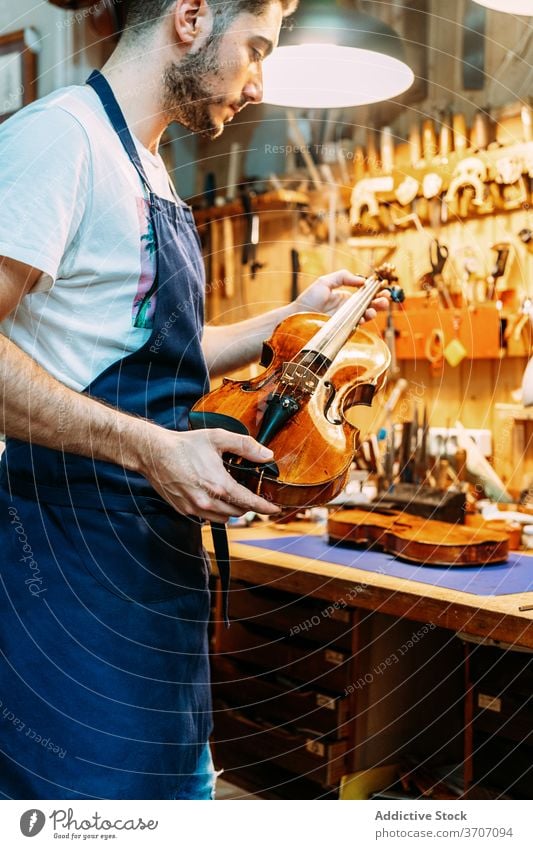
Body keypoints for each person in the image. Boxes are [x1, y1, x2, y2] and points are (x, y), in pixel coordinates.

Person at [0, 0, 387, 800]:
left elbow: (158, 354)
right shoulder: (60, 138)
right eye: (254, 49)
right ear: (190, 17)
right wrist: (150, 448)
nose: (257, 84)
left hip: (156, 569)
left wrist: (289, 320)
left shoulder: (145, 166)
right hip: (71, 569)